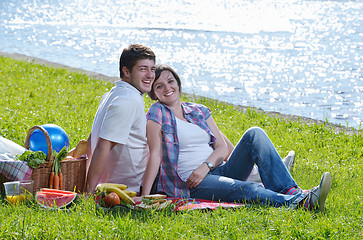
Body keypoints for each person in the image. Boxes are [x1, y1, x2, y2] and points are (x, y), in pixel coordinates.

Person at [141, 64, 332, 212]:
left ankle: (291, 191)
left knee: (254, 133)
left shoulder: (198, 110)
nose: (167, 87)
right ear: (154, 93)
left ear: (178, 83)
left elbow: (221, 147)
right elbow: (155, 155)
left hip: (217, 170)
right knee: (250, 189)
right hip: (192, 183)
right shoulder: (158, 112)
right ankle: (302, 203)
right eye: (159, 86)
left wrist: (205, 166)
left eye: (170, 81)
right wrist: (144, 196)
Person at [84, 44, 156, 193]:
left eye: (152, 69)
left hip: (127, 180)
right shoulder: (128, 100)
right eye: (143, 69)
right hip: (133, 185)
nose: (150, 75)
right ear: (126, 71)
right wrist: (88, 192)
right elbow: (103, 146)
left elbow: (93, 141)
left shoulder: (115, 93)